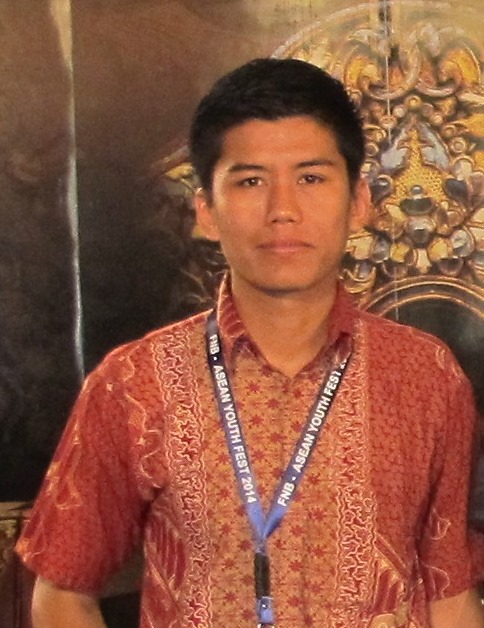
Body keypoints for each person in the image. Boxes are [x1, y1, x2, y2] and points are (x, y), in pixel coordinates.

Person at [16, 58, 484, 627]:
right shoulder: (134, 383)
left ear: (359, 202)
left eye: (311, 178)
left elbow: (449, 595)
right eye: (250, 181)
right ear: (206, 211)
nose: (282, 210)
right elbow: (62, 592)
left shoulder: (425, 376)